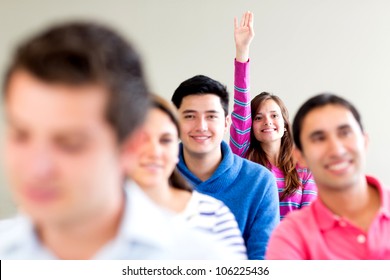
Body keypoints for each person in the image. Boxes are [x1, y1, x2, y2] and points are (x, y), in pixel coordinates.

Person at [0, 21, 234, 260]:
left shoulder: (202, 260)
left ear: (130, 147)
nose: (36, 167)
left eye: (70, 144)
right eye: (21, 135)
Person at [266, 93, 390, 259]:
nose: (336, 150)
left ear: (365, 141)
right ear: (300, 157)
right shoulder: (290, 236)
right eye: (319, 138)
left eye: (345, 133)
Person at [171, 74, 280, 260]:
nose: (201, 126)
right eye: (190, 116)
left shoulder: (260, 182)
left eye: (211, 116)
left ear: (226, 123)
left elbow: (264, 262)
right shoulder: (153, 179)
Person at [126, 94, 247, 259]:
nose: (154, 152)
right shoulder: (90, 218)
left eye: (165, 140)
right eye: (141, 140)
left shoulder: (216, 216)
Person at [230, 11, 317, 219]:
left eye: (274, 115)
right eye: (258, 117)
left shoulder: (304, 167)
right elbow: (242, 107)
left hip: (292, 249)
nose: (267, 121)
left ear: (285, 124)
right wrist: (242, 50)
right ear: (251, 126)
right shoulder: (244, 159)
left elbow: (309, 219)